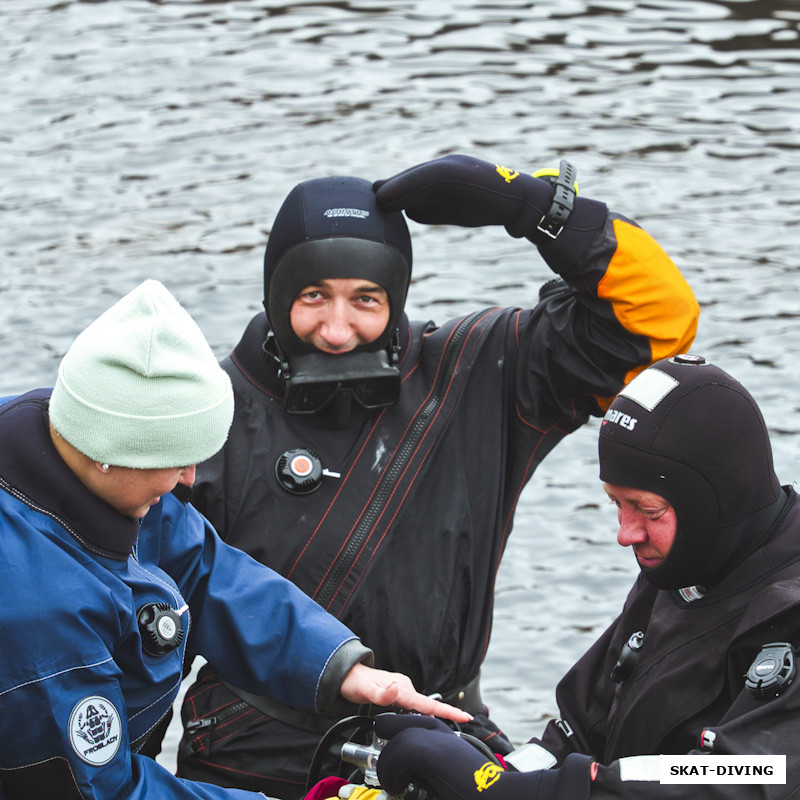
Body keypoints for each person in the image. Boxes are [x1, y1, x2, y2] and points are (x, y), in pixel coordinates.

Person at [176, 155, 700, 796]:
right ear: (275, 294)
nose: (337, 330)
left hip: (443, 740)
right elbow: (140, 611)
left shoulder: (480, 374)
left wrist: (538, 211)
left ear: (395, 298)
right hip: (253, 754)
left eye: (366, 300)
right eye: (313, 297)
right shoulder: (204, 412)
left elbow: (657, 326)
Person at [0, 279, 468, 800]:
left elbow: (205, 571)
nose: (190, 479)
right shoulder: (38, 611)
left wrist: (345, 671)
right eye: (175, 460)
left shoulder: (87, 445)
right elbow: (102, 792)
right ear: (108, 451)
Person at [368, 354, 800, 800]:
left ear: (719, 504)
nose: (625, 533)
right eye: (616, 502)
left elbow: (744, 775)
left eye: (648, 510)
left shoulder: (788, 608)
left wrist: (508, 792)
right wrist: (486, 763)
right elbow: (577, 730)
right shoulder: (685, 563)